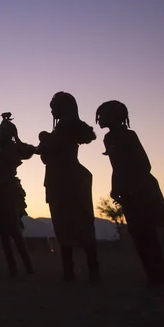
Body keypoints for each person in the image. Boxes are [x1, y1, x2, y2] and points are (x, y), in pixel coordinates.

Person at [96, 100, 164, 286]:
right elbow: (117, 166)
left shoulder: (125, 136)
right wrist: (117, 187)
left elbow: (143, 165)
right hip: (131, 190)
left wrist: (127, 185)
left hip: (140, 190)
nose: (98, 120)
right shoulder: (111, 138)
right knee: (140, 233)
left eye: (102, 116)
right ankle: (156, 278)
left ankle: (159, 278)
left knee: (145, 233)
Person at [36, 92, 99, 283]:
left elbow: (51, 148)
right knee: (76, 224)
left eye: (54, 106)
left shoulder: (64, 125)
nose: (52, 111)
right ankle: (86, 271)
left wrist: (44, 139)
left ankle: (73, 272)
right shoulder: (66, 126)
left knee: (66, 223)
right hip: (66, 176)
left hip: (64, 178)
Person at [0, 112, 34, 277]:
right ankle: (13, 267)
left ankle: (27, 266)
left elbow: (27, 151)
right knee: (3, 231)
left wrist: (10, 141)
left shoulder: (12, 148)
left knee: (14, 230)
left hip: (8, 188)